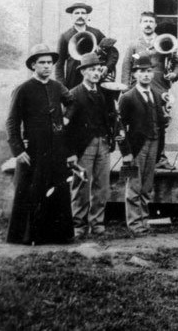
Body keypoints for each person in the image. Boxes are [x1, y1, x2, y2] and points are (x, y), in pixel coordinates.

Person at [6, 44, 76, 245]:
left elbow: (71, 102)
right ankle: (30, 236)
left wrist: (67, 119)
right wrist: (17, 150)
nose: (47, 66)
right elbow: (11, 121)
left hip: (56, 147)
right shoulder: (23, 90)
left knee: (57, 189)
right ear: (33, 65)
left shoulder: (57, 87)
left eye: (50, 63)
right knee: (32, 190)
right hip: (33, 149)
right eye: (42, 63)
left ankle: (58, 235)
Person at [63, 52, 118, 238]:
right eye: (91, 70)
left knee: (102, 185)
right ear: (83, 72)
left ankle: (97, 223)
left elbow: (110, 118)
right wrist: (70, 153)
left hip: (102, 143)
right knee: (81, 185)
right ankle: (78, 226)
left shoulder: (103, 92)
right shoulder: (74, 94)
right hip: (83, 147)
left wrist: (110, 138)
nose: (96, 73)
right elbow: (65, 127)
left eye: (98, 69)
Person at [120, 10, 178, 170]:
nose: (148, 24)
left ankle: (160, 158)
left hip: (160, 88)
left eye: (151, 22)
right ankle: (133, 157)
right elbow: (126, 66)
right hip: (137, 90)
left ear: (155, 25)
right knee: (135, 124)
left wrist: (174, 74)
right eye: (145, 21)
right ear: (140, 25)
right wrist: (125, 89)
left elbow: (177, 62)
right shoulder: (134, 45)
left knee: (160, 123)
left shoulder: (165, 41)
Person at [118, 55, 168, 235]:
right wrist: (126, 152)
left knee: (147, 185)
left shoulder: (155, 94)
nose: (146, 75)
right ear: (134, 74)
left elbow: (159, 120)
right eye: (141, 71)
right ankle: (134, 224)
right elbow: (119, 127)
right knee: (133, 185)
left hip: (154, 144)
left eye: (149, 71)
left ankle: (144, 221)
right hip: (136, 147)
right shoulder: (128, 97)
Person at [55, 2, 106, 89]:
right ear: (71, 16)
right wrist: (62, 86)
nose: (80, 15)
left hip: (95, 78)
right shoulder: (65, 36)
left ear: (87, 16)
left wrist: (107, 66)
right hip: (73, 79)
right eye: (77, 13)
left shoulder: (96, 33)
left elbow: (112, 52)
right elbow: (59, 64)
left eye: (83, 13)